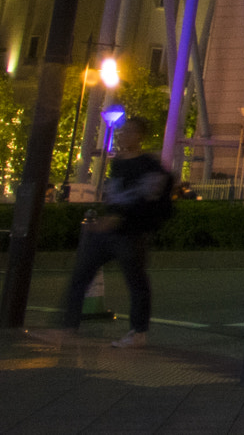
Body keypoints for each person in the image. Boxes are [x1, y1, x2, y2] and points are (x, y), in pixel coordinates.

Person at [59, 113, 172, 346]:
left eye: (129, 131)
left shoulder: (148, 165)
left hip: (131, 232)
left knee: (136, 280)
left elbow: (147, 196)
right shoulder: (118, 162)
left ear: (140, 136)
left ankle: (138, 332)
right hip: (109, 230)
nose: (123, 135)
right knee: (81, 275)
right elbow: (116, 194)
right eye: (123, 130)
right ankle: (68, 327)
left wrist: (120, 216)